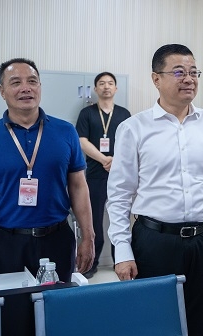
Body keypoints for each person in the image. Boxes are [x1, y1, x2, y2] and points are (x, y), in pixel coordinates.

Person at [106, 44, 203, 336]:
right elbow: (119, 195)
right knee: (155, 322)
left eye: (193, 72)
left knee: (199, 320)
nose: (188, 79)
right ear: (156, 79)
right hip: (155, 242)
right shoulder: (134, 128)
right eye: (179, 72)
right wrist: (122, 250)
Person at [0, 58, 95, 282]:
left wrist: (88, 236)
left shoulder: (66, 132)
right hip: (6, 242)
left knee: (57, 302)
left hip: (57, 239)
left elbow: (78, 186)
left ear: (40, 87)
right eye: (16, 82)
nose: (26, 88)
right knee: (12, 304)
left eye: (32, 81)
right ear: (2, 91)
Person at [75, 72, 131, 278]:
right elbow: (81, 140)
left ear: (116, 88)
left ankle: (121, 261)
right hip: (95, 174)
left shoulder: (124, 114)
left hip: (120, 175)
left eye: (110, 83)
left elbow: (130, 142)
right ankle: (92, 263)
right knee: (94, 220)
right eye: (102, 83)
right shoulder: (87, 113)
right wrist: (104, 159)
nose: (106, 87)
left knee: (120, 218)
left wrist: (115, 161)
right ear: (95, 89)